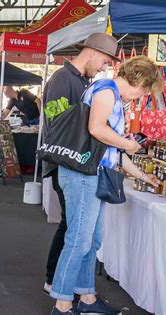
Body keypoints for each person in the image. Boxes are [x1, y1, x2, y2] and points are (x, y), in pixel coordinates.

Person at [50, 56, 161, 315]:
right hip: (83, 174)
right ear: (139, 80)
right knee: (79, 240)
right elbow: (97, 129)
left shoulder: (110, 94)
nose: (141, 95)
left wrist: (143, 176)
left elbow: (111, 148)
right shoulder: (106, 91)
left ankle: (86, 298)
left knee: (92, 239)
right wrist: (129, 144)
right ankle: (62, 304)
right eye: (144, 90)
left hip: (92, 174)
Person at [42, 32, 119, 296]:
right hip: (66, 164)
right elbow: (57, 124)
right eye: (105, 62)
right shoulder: (63, 79)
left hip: (77, 164)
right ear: (93, 52)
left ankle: (62, 281)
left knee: (71, 226)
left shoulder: (84, 81)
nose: (104, 68)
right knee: (71, 227)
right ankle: (53, 280)